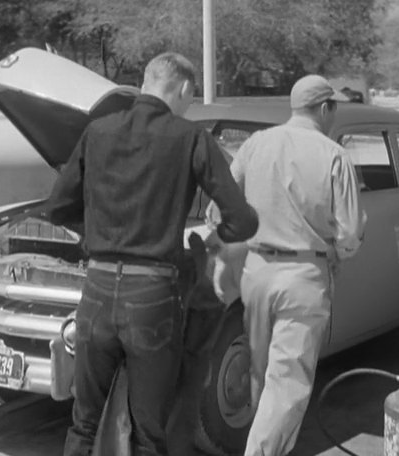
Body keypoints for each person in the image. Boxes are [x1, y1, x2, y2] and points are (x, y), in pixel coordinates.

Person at [46, 52, 259, 456]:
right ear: (183, 89)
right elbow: (243, 220)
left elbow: (57, 207)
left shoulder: (97, 132)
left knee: (84, 424)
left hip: (96, 290)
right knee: (147, 433)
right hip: (152, 299)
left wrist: (97, 234)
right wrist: (215, 239)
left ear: (145, 82)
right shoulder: (191, 137)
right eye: (190, 99)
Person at [207, 74, 366, 456]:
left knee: (264, 375)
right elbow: (349, 236)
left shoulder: (257, 144)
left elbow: (218, 210)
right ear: (326, 108)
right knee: (287, 384)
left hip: (257, 273)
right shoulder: (334, 156)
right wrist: (337, 251)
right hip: (303, 278)